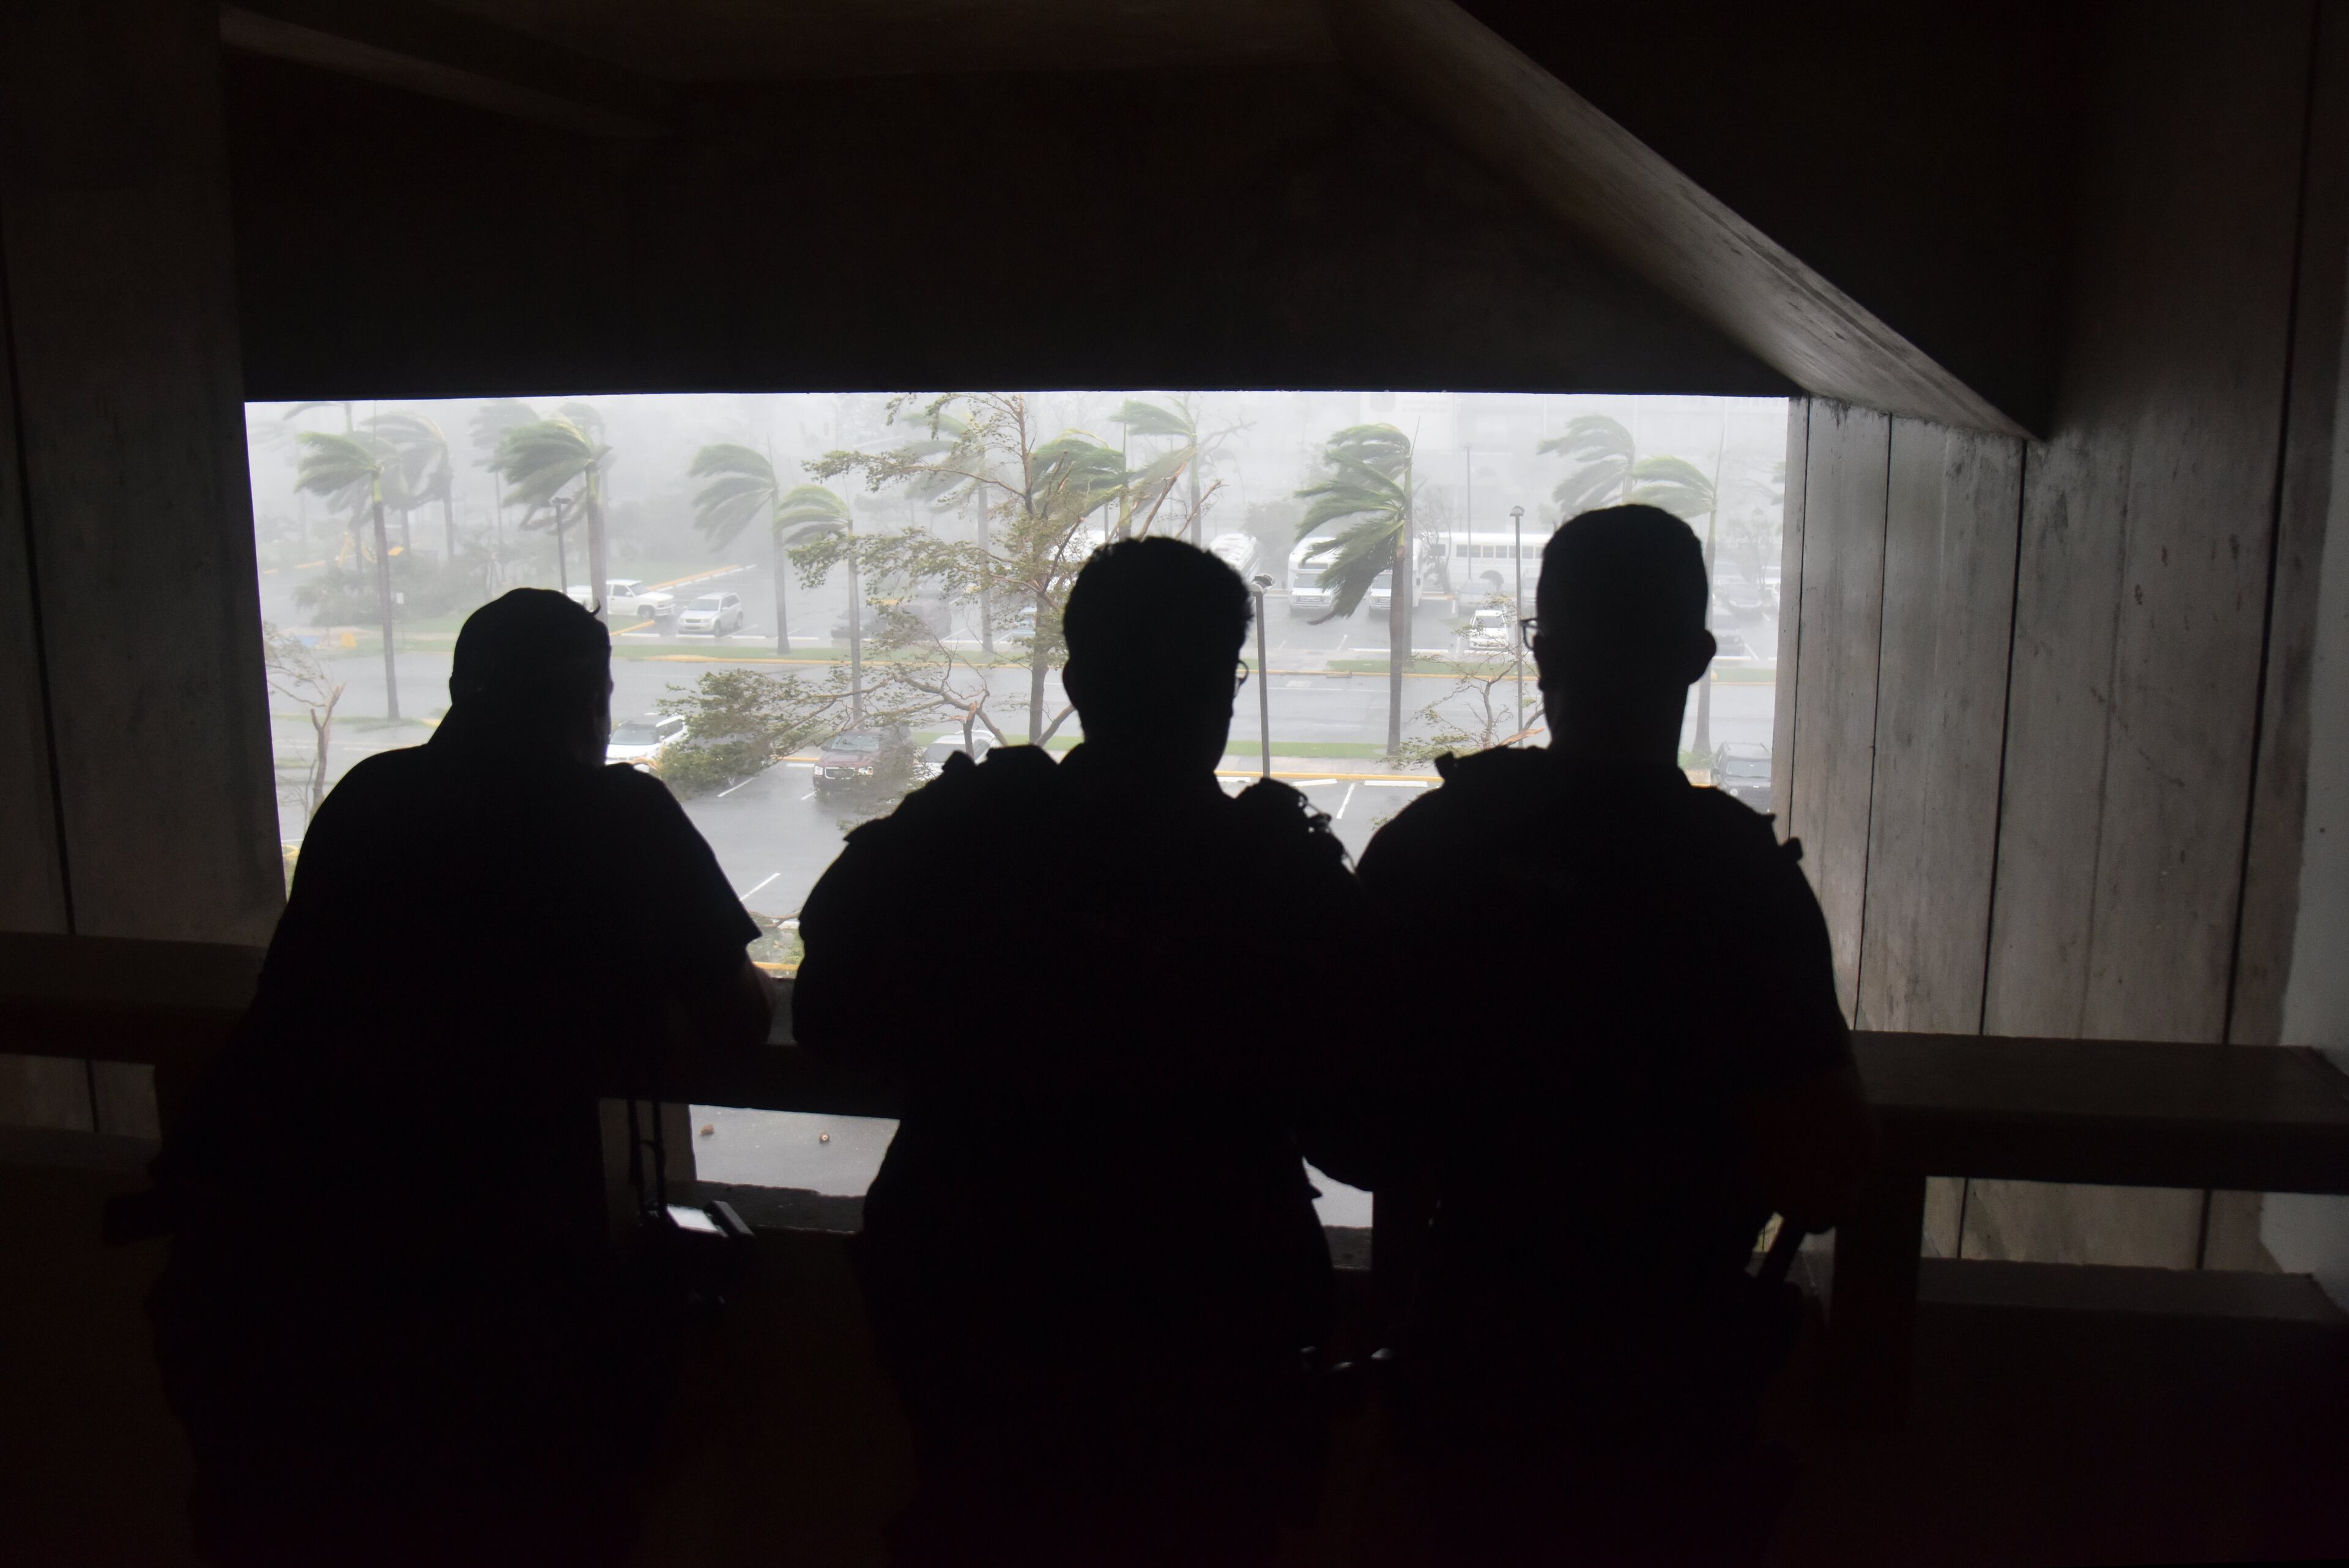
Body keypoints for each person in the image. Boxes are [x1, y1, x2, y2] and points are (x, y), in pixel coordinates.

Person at [150, 589, 774, 1567]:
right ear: (593, 705)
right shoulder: (617, 817)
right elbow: (738, 1016)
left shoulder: (372, 800)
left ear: (457, 692)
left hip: (292, 1277)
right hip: (502, 1304)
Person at [794, 537, 1378, 1568]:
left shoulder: (966, 836)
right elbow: (1362, 1131)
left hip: (977, 1307)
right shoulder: (1275, 873)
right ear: (1224, 687)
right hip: (1207, 1332)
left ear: (1076, 682)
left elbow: (833, 1020)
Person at [1356, 505, 1874, 1566]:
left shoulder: (1437, 845)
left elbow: (1351, 1125)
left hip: (1467, 1358)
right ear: (1695, 658)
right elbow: (1823, 1173)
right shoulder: (1741, 880)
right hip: (1669, 1378)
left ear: (1543, 653)